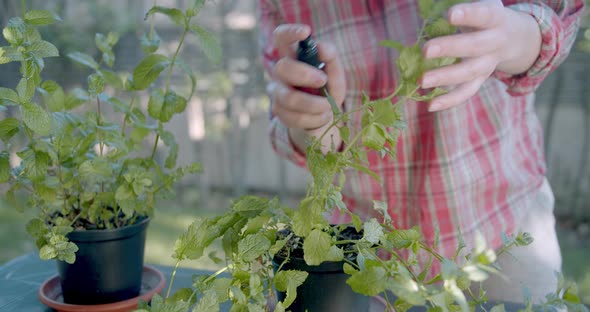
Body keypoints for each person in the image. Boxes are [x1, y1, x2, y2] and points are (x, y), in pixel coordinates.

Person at [257, 0, 584, 304]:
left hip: (503, 226)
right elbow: (305, 137)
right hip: (364, 252)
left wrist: (509, 36)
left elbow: (558, 14)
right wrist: (313, 119)